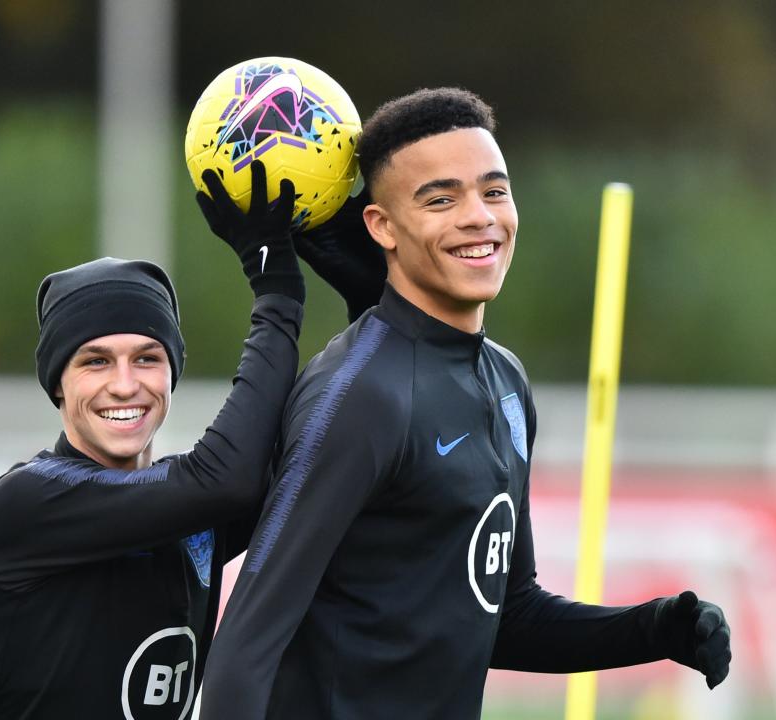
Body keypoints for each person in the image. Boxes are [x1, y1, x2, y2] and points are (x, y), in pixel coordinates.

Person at [198, 88, 732, 720]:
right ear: (382, 227)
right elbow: (247, 644)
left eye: (494, 191)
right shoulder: (358, 394)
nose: (479, 216)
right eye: (441, 199)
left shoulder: (506, 379)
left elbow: (506, 613)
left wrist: (655, 631)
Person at [0, 160, 373, 720]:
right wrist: (275, 294)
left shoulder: (196, 505)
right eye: (96, 361)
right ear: (58, 382)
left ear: (171, 373)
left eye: (148, 358)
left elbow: (331, 444)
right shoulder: (25, 503)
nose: (125, 385)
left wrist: (367, 299)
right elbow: (226, 478)